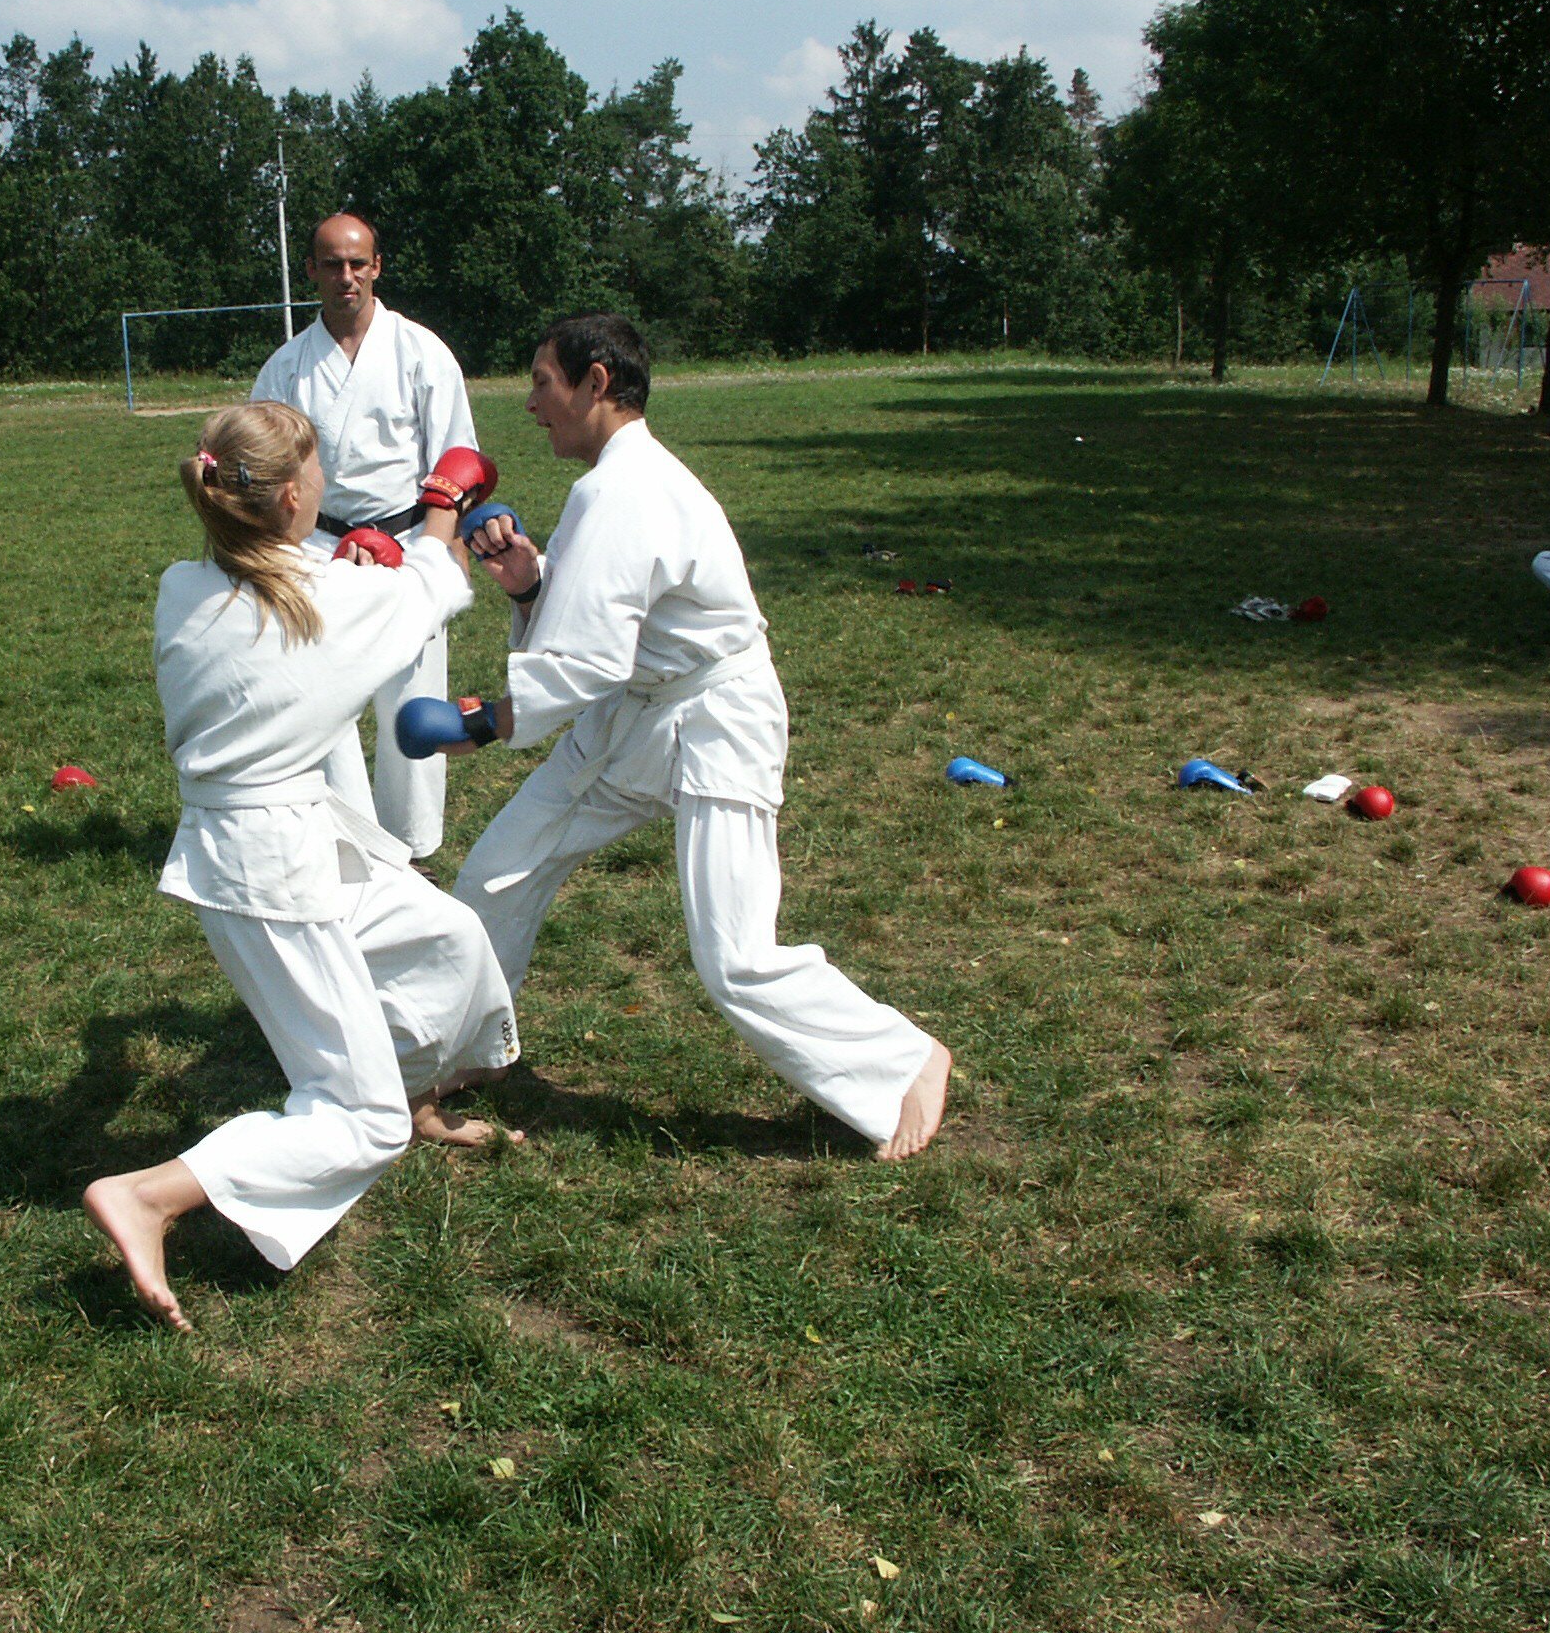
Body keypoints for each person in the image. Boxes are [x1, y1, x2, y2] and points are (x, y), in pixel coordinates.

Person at [420, 313, 950, 1161]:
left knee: (734, 956)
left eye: (543, 383)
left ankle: (904, 1062)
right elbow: (618, 615)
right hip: (638, 717)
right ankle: (470, 1047)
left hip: (714, 720)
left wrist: (483, 724)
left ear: (597, 384)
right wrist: (531, 584)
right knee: (499, 871)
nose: (530, 404)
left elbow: (586, 660)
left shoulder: (622, 489)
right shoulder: (616, 483)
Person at [82, 402, 520, 1332]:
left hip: (287, 835)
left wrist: (346, 566)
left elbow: (289, 605)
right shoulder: (321, 604)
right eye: (316, 469)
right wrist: (440, 505)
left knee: (447, 938)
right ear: (291, 496)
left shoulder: (186, 586)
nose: (325, 482)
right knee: (356, 1120)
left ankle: (418, 1095)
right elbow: (434, 584)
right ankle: (151, 1195)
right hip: (265, 871)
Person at [251, 214, 478, 856]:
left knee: (413, 696)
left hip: (409, 540)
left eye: (357, 263)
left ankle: (415, 846)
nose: (345, 277)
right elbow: (263, 466)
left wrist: (446, 552)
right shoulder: (287, 367)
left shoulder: (421, 352)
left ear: (377, 266)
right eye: (332, 264)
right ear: (312, 271)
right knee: (327, 700)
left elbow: (457, 458)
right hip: (317, 548)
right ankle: (350, 844)